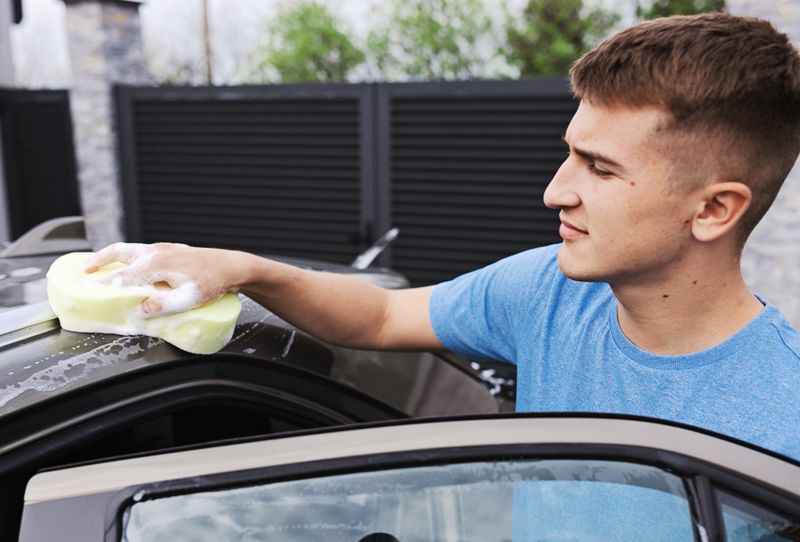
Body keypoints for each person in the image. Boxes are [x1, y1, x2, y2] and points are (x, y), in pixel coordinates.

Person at [85, 13, 800, 460]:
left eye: (600, 168)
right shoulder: (546, 292)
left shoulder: (785, 408)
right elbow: (382, 313)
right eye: (570, 151)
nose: (557, 190)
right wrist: (247, 269)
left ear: (713, 210)